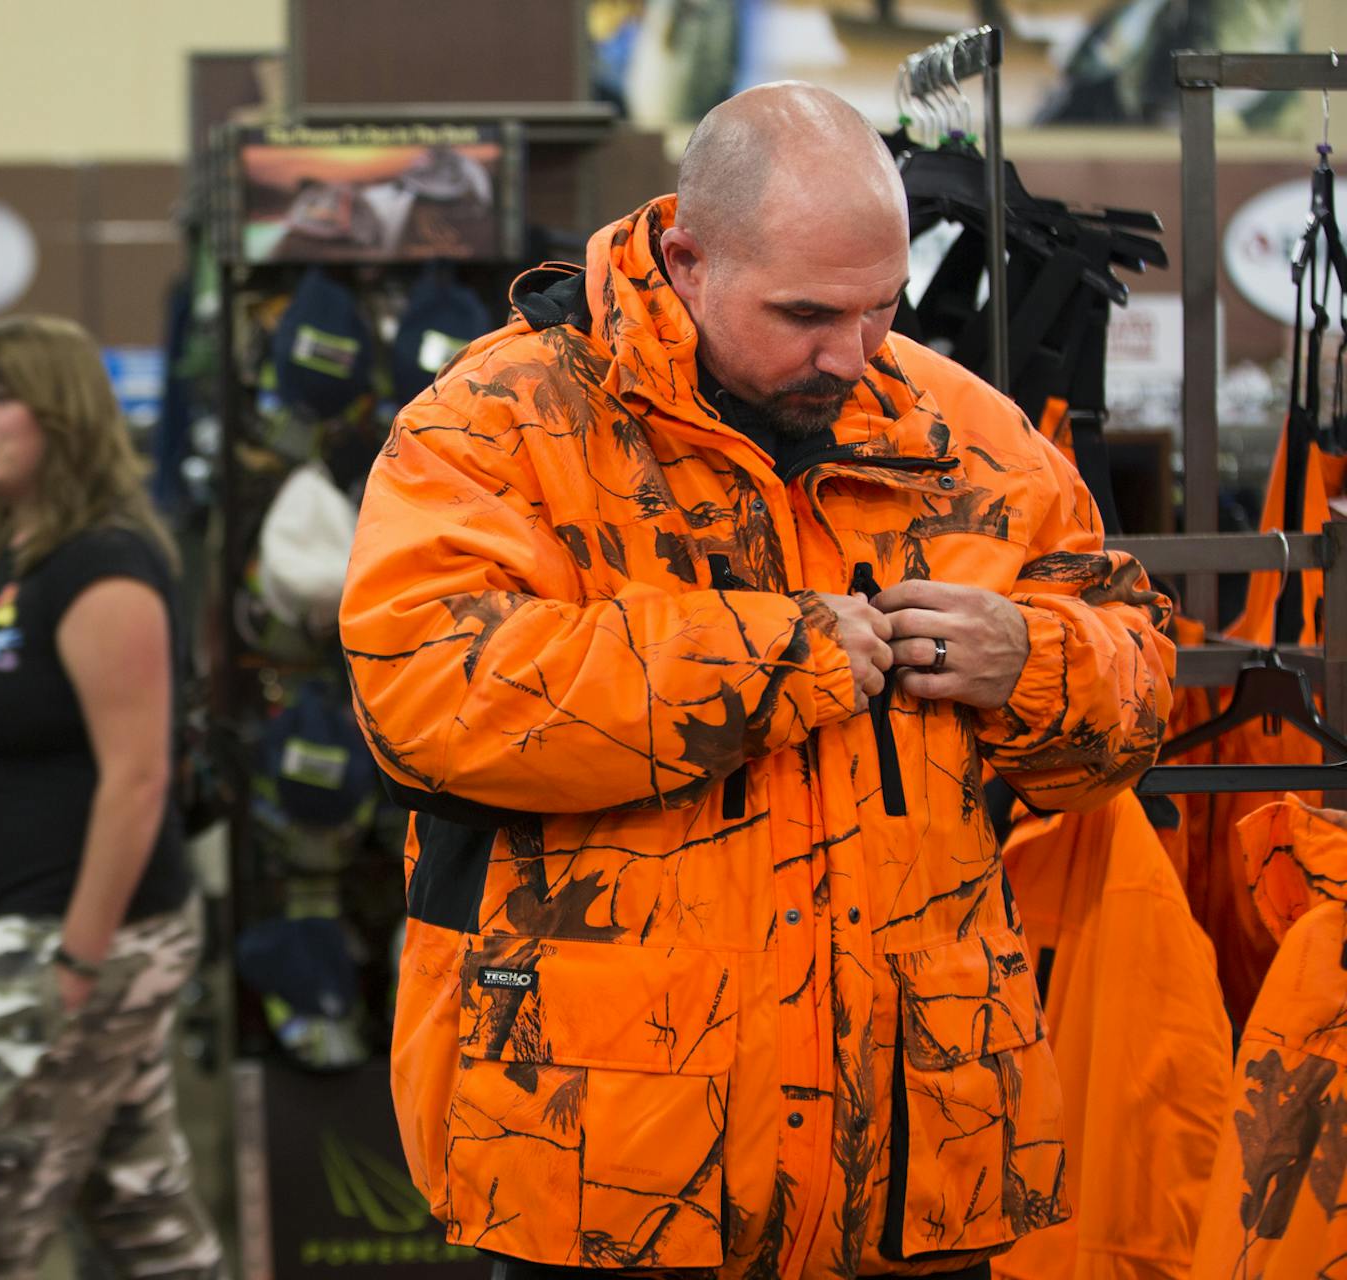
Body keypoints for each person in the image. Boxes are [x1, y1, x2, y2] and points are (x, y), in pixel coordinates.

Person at [339, 83, 1174, 1279]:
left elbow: (1136, 695)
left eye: (881, 307)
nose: (853, 353)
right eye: (806, 314)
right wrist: (785, 655)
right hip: (610, 1160)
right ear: (687, 260)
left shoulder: (969, 438)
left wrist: (1032, 661)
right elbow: (431, 699)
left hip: (921, 1158)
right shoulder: (497, 425)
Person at [0, 315, 225, 1280]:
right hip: (48, 927)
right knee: (137, 1215)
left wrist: (77, 960)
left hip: (81, 935)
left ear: (63, 415)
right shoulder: (23, 555)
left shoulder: (102, 566)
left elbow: (139, 777)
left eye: (2, 398)